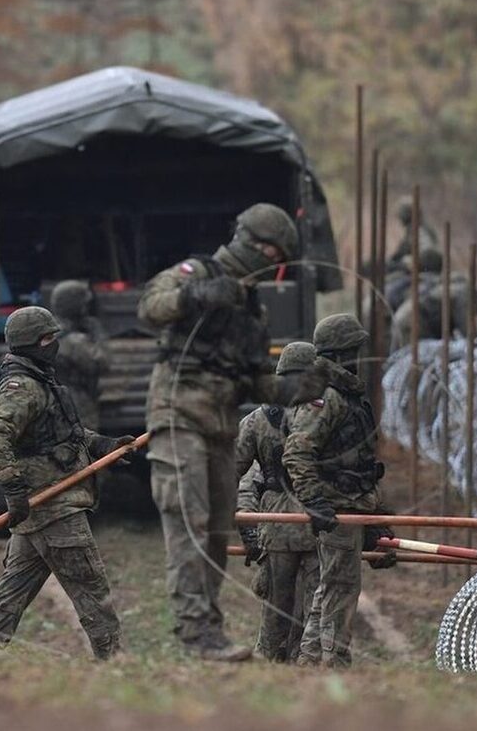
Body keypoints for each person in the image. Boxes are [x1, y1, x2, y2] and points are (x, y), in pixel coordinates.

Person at [138, 202, 298, 661]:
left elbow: (257, 377)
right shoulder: (196, 273)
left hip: (221, 425)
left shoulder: (252, 309)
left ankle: (207, 624)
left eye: (279, 258)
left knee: (215, 530)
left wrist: (296, 388)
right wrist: (197, 296)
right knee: (188, 519)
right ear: (249, 241)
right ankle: (195, 630)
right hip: (178, 414)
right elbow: (150, 307)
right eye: (269, 252)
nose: (272, 263)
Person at [0, 306, 136, 659]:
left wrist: (103, 445)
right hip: (53, 507)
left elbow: (61, 434)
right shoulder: (21, 387)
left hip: (43, 509)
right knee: (91, 589)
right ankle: (114, 661)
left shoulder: (39, 378)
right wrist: (14, 492)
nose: (54, 344)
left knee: (12, 591)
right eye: (47, 339)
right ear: (30, 343)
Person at [283, 314, 393, 669]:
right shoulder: (325, 395)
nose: (359, 357)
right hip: (337, 506)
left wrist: (376, 515)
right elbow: (296, 452)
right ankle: (334, 664)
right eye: (354, 350)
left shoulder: (346, 393)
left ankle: (311, 659)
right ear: (341, 354)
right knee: (340, 588)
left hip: (353, 504)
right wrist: (314, 501)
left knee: (330, 586)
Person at [235, 341, 321, 663]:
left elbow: (232, 472)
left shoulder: (256, 420)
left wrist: (245, 526)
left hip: (275, 524)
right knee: (316, 609)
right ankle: (308, 666)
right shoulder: (326, 414)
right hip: (318, 521)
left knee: (275, 610)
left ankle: (270, 666)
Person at [49, 280, 109, 428]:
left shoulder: (49, 331)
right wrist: (98, 335)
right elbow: (101, 362)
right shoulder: (73, 341)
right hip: (75, 406)